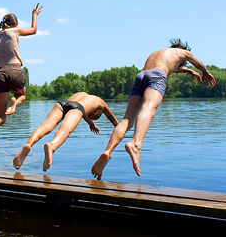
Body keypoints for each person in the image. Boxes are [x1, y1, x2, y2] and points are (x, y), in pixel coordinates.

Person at [91, 39, 216, 180]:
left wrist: (189, 71)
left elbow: (172, 67)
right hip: (156, 77)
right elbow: (197, 62)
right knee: (149, 108)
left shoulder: (158, 54)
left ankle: (108, 152)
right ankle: (135, 144)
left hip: (141, 76)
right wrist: (205, 72)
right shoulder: (183, 52)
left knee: (127, 120)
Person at [0, 3, 43, 143]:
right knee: (21, 95)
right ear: (15, 24)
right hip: (14, 70)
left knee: (1, 117)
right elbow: (33, 30)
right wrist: (34, 15)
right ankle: (15, 102)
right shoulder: (15, 31)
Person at [13, 92, 118, 171]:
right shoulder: (101, 103)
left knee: (45, 125)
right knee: (65, 130)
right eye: (94, 116)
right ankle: (52, 146)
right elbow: (113, 120)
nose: (91, 116)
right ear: (97, 112)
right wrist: (120, 127)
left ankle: (28, 144)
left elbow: (84, 113)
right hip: (77, 108)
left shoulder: (82, 94)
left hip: (62, 104)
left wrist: (91, 124)